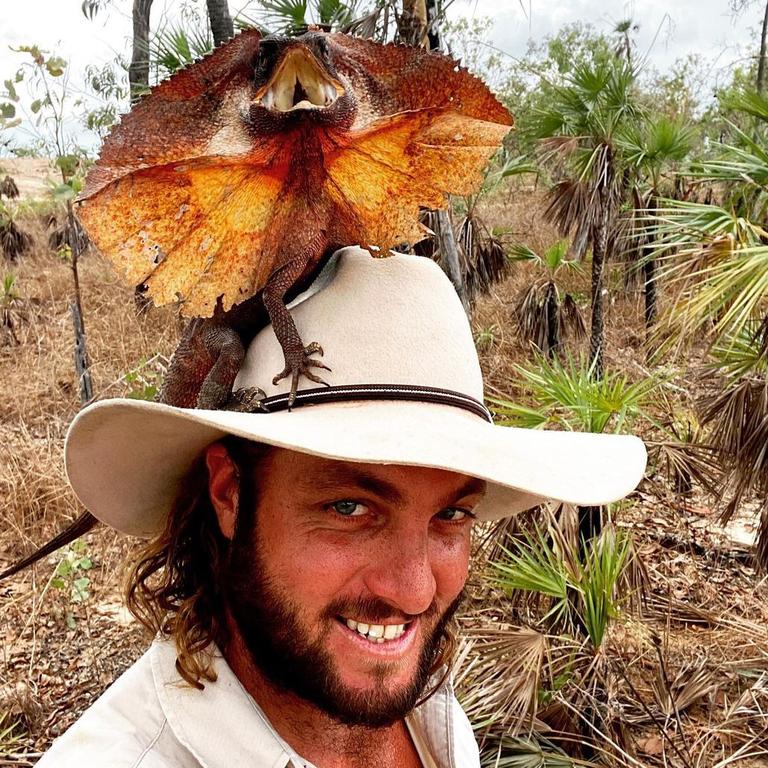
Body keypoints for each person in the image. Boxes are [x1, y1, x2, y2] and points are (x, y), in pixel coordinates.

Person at [38, 248, 646, 768]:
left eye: (452, 515)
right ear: (229, 494)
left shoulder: (430, 714)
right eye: (349, 507)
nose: (412, 592)